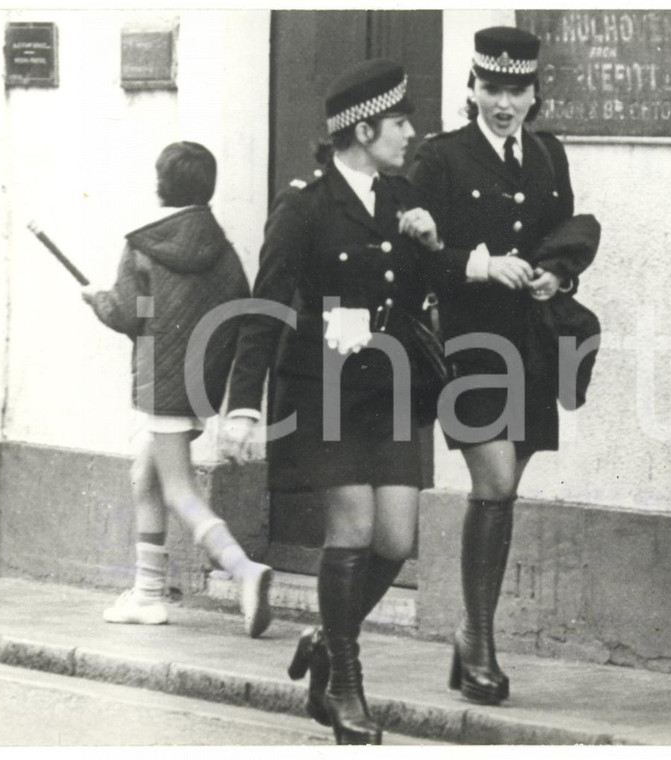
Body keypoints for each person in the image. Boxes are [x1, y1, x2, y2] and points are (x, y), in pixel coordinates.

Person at [222, 59, 442, 745]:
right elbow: (266, 305)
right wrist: (243, 405)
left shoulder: (402, 197)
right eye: (400, 122)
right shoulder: (305, 204)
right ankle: (345, 684)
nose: (410, 133)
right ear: (364, 127)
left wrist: (431, 248)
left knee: (397, 539)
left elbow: (413, 295)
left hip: (391, 386)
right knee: (350, 530)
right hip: (325, 389)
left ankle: (322, 638)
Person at [408, 26, 581, 706]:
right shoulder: (441, 158)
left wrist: (553, 279)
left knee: (503, 493)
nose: (504, 104)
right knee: (496, 479)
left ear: (534, 94)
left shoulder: (547, 155)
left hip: (531, 343)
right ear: (472, 89)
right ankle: (478, 640)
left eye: (517, 91)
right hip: (467, 344)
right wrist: (477, 265)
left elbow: (561, 238)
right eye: (492, 89)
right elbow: (413, 254)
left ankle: (469, 635)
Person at [81, 141, 273, 638]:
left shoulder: (143, 246)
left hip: (161, 386)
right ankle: (147, 595)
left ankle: (243, 569)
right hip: (197, 388)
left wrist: (96, 301)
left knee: (180, 489)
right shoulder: (225, 253)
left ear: (162, 184)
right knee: (144, 472)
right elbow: (238, 316)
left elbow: (130, 315)